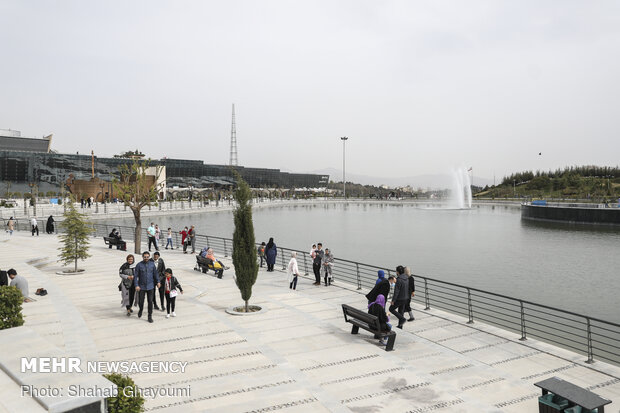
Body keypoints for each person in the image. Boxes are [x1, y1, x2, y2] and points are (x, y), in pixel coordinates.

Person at [134, 251, 160, 323]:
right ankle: (141, 309)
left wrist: (158, 281)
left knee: (150, 301)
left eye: (147, 257)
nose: (146, 258)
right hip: (141, 287)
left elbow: (155, 274)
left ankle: (149, 316)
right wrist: (136, 285)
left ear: (149, 257)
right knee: (141, 301)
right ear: (142, 257)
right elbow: (135, 276)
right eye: (145, 257)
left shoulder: (152, 264)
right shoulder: (139, 265)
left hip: (150, 286)